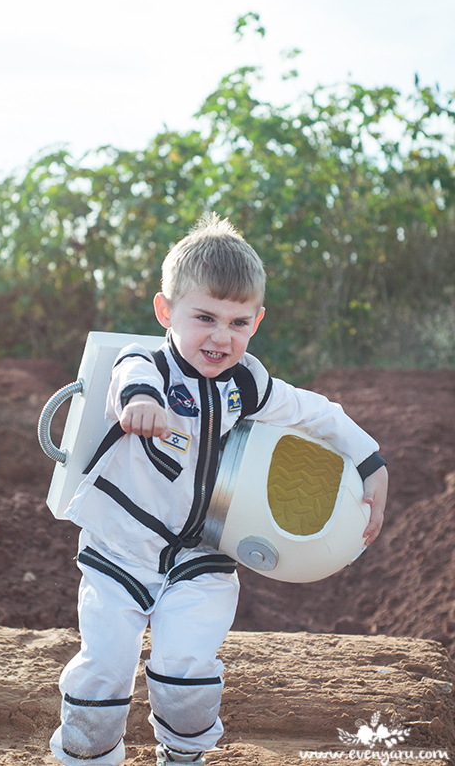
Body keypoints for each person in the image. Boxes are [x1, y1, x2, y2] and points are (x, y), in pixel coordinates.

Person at [50, 214, 388, 766]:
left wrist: (371, 460)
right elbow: (127, 373)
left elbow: (314, 412)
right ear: (166, 312)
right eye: (204, 317)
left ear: (256, 321)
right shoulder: (149, 367)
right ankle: (86, 757)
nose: (221, 336)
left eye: (238, 322)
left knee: (187, 672)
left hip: (203, 553)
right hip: (120, 549)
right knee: (104, 670)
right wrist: (141, 402)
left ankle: (183, 755)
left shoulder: (246, 383)